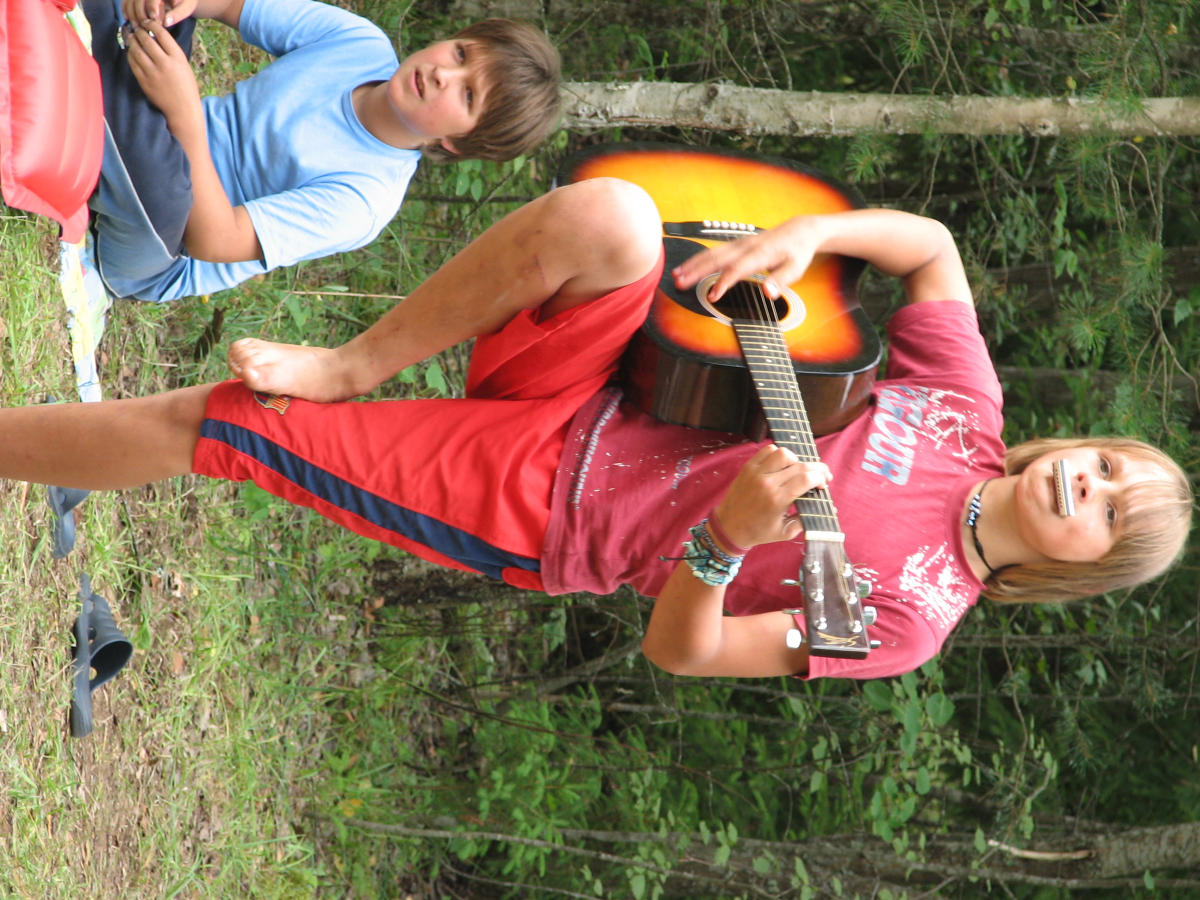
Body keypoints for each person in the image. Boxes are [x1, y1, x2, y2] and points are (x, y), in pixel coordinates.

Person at [4, 179, 1191, 679]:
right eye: (1103, 467)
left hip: (546, 506)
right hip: (613, 383)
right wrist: (814, 238)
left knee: (220, 423)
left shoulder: (911, 619)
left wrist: (723, 543)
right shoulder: (967, 413)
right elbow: (930, 248)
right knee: (617, 216)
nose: (1086, 486)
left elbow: (685, 653)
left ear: (1081, 567)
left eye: (1106, 512)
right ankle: (352, 362)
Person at [82, 0, 561, 301]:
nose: (443, 75)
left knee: (159, 179)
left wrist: (184, 113)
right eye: (460, 54)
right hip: (165, 132)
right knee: (161, 14)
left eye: (468, 94)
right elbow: (229, 5)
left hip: (167, 242)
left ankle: (91, 85)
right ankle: (99, 86)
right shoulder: (359, 43)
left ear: (455, 143)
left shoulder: (367, 199)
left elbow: (215, 240)